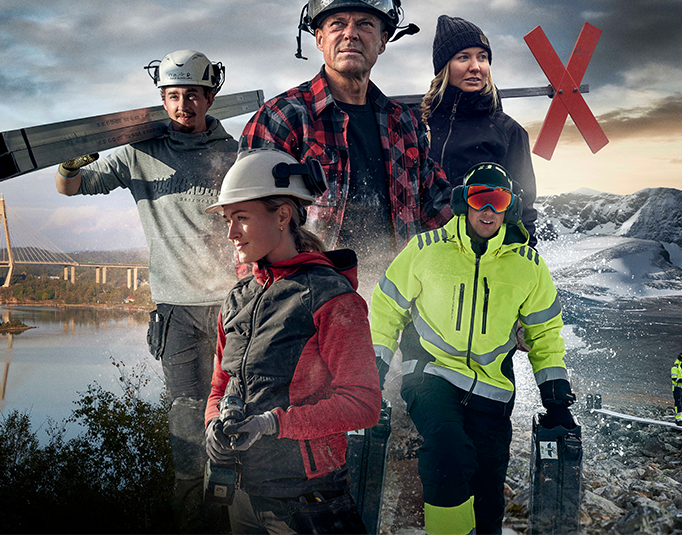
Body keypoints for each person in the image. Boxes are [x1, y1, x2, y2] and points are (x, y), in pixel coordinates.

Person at [55, 49, 238, 532]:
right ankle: (189, 521)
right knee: (184, 421)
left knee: (233, 414)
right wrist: (68, 166)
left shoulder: (235, 154)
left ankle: (231, 519)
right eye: (173, 95)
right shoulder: (140, 153)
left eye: (193, 95)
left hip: (231, 306)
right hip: (175, 311)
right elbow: (72, 189)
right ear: (162, 98)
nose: (183, 105)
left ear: (210, 96)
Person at [370, 162, 575, 535]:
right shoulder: (425, 250)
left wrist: (556, 401)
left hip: (492, 391)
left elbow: (545, 334)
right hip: (431, 374)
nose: (488, 210)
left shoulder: (528, 266)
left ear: (510, 207)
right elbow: (386, 309)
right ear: (464, 201)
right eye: (480, 198)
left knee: (487, 496)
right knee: (448, 454)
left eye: (499, 200)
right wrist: (373, 372)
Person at [203, 148, 381, 534]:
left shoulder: (332, 298)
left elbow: (364, 404)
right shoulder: (237, 299)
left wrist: (272, 424)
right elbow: (220, 385)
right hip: (243, 495)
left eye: (242, 218)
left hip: (309, 503)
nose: (231, 232)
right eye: (229, 220)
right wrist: (212, 425)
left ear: (283, 215)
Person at [239, 0, 451, 288]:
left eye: (365, 24)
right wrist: (263, 308)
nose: (350, 33)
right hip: (308, 306)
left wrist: (488, 226)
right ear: (320, 38)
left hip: (400, 307)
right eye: (337, 23)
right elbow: (247, 220)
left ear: (382, 40)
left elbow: (439, 213)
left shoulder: (405, 123)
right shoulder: (282, 118)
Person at [419, 15, 538, 244]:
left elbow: (524, 210)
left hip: (482, 259)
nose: (475, 67)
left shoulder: (508, 131)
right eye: (463, 57)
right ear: (445, 66)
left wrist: (522, 257)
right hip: (425, 253)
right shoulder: (418, 123)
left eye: (482, 57)